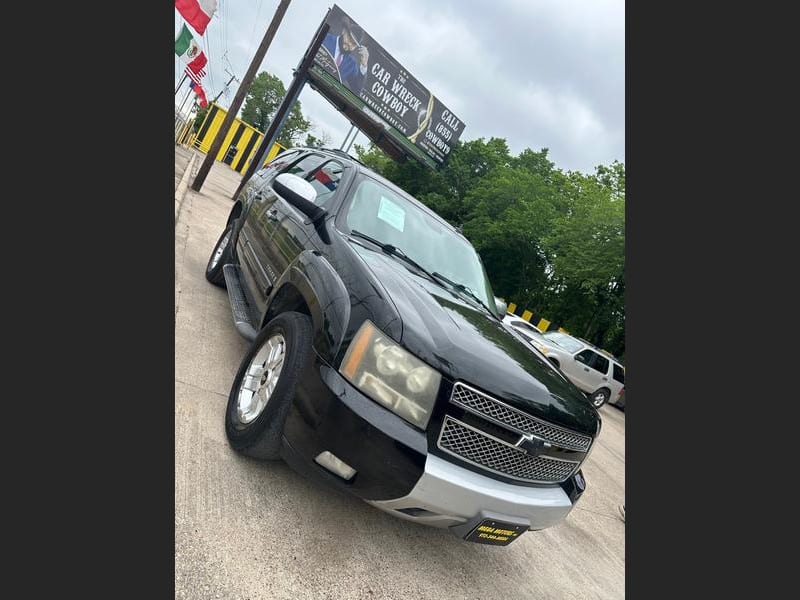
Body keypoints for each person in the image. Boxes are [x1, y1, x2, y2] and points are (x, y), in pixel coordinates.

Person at [322, 17, 369, 94]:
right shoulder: (325, 38)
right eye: (349, 38)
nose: (349, 44)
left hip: (327, 93)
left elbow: (356, 90)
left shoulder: (351, 64)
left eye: (354, 44)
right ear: (344, 31)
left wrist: (364, 64)